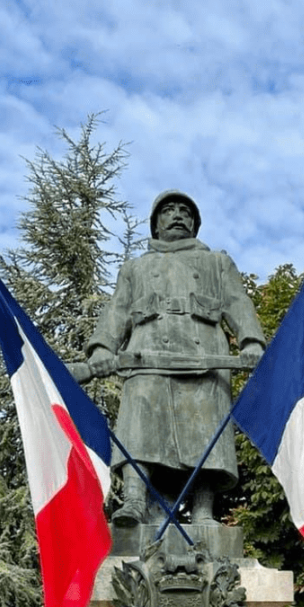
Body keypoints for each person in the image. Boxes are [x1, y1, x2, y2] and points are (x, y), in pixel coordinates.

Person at [75, 191, 265, 525]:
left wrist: (252, 343)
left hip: (205, 358)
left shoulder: (217, 262)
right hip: (146, 358)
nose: (177, 215)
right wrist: (102, 349)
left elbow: (238, 303)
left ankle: (204, 512)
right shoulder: (135, 268)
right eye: (168, 210)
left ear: (194, 223)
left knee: (207, 430)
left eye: (185, 211)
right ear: (156, 223)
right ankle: (134, 501)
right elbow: (116, 312)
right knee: (139, 424)